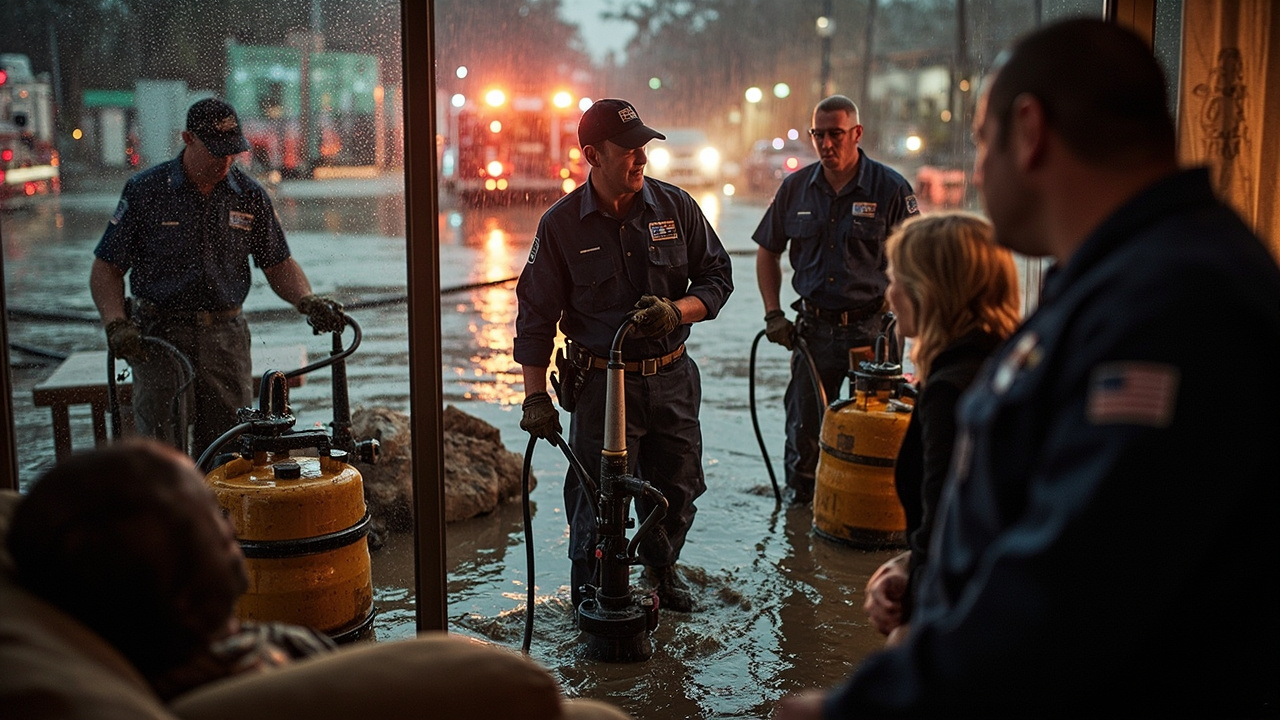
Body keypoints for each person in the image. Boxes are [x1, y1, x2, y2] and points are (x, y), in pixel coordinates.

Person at [775, 18, 1280, 718]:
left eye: (982, 142)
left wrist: (864, 705)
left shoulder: (1174, 305)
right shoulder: (1107, 281)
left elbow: (1081, 582)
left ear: (1031, 130)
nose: (979, 169)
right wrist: (928, 564)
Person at [514, 98, 734, 613]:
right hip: (600, 387)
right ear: (592, 154)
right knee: (597, 499)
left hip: (672, 377)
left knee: (677, 487)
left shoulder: (676, 207)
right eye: (628, 150)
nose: (641, 159)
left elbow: (717, 276)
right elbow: (534, 318)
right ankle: (592, 594)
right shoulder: (561, 225)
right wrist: (534, 398)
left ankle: (661, 570)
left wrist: (677, 311)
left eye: (644, 148)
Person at [89, 97, 344, 457]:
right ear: (188, 139)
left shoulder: (250, 196)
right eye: (216, 151)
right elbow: (106, 269)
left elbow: (278, 264)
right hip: (159, 337)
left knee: (231, 452)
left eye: (232, 152)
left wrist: (308, 300)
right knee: (161, 453)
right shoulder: (146, 191)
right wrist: (116, 325)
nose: (225, 161)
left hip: (226, 339)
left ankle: (219, 515)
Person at [6, 439, 333, 701]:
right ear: (185, 600)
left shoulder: (159, 671)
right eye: (210, 516)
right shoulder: (284, 688)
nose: (230, 526)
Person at [861, 212, 1020, 646]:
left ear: (928, 290)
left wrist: (914, 633)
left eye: (896, 278)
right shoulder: (1006, 363)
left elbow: (949, 530)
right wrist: (909, 565)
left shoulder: (953, 391)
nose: (888, 293)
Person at [753, 94, 919, 504]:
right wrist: (774, 315)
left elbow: (916, 261)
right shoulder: (795, 189)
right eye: (819, 135)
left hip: (874, 332)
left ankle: (877, 511)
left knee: (880, 433)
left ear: (857, 134)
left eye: (836, 134)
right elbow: (766, 251)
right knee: (805, 433)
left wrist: (910, 318)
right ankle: (802, 520)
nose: (827, 144)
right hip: (814, 333)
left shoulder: (890, 188)